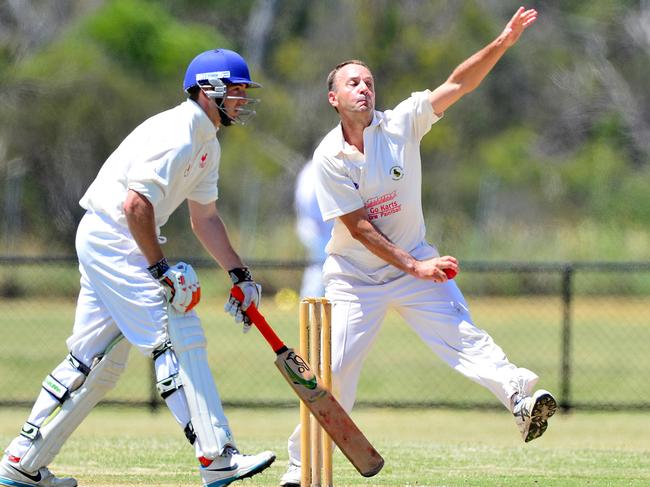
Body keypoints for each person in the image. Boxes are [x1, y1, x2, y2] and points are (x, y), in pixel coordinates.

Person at [280, 7, 556, 486]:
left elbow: (457, 84)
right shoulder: (329, 157)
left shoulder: (403, 122)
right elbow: (360, 226)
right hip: (354, 278)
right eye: (353, 83)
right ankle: (301, 468)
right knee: (334, 372)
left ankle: (520, 397)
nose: (364, 88)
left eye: (368, 81)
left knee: (462, 336)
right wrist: (416, 265)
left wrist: (502, 44)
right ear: (333, 97)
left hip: (416, 266)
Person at [0, 48, 276, 487]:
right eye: (237, 89)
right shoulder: (179, 131)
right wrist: (161, 269)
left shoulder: (207, 143)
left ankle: (23, 461)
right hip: (114, 236)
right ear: (210, 91)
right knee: (175, 332)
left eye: (244, 90)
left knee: (97, 362)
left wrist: (240, 275)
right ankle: (217, 455)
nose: (243, 98)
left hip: (109, 237)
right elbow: (135, 204)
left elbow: (204, 218)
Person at [294, 159, 334, 298]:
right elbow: (308, 200)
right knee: (321, 270)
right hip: (318, 229)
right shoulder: (316, 169)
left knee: (318, 269)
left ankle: (311, 306)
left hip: (315, 227)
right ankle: (312, 309)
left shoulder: (310, 168)